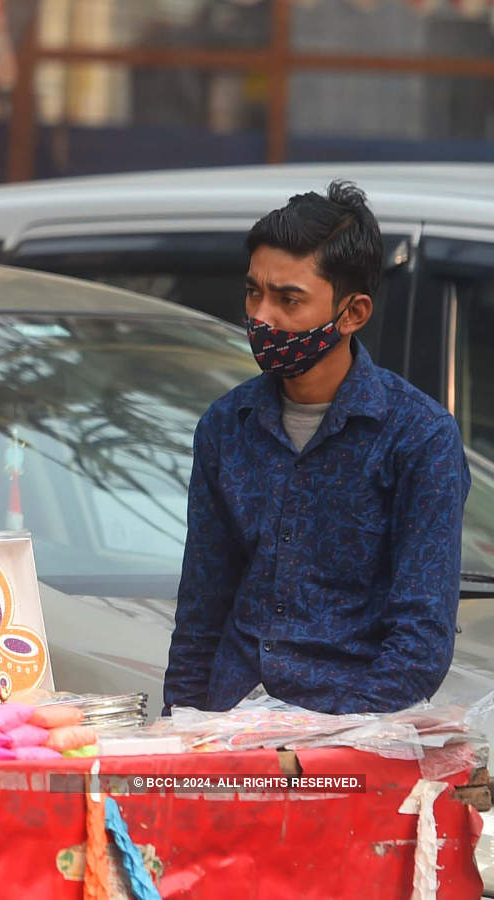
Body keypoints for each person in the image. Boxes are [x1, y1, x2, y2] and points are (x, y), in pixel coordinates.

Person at [162, 181, 470, 715]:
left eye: (288, 299)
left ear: (352, 313)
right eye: (254, 292)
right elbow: (200, 613)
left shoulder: (419, 437)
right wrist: (179, 734)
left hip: (351, 739)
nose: (262, 317)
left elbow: (420, 641)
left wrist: (335, 745)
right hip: (227, 729)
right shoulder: (224, 426)